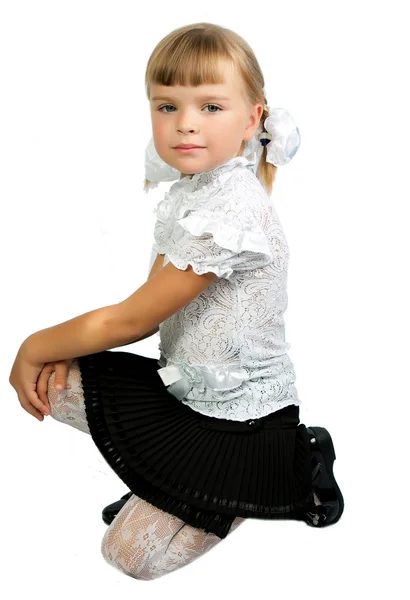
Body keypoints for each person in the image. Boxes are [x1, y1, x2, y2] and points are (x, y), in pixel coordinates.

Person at [9, 22, 344, 581]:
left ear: (252, 119)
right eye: (167, 106)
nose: (185, 122)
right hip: (184, 389)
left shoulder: (230, 211)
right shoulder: (201, 186)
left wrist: (29, 344)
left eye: (211, 106)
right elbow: (143, 306)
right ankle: (165, 484)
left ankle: (285, 469)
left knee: (127, 557)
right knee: (57, 382)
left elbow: (134, 318)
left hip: (241, 421)